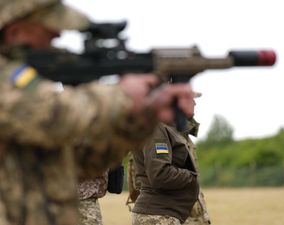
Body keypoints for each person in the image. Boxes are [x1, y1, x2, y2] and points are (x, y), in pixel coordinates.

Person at [0, 0, 195, 224]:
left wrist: (142, 117)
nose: (56, 35)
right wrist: (123, 96)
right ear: (15, 33)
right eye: (47, 28)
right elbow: (52, 114)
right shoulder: (14, 91)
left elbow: (79, 163)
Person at [131, 93, 211, 225]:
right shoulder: (157, 128)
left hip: (164, 214)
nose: (194, 103)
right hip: (158, 215)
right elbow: (160, 174)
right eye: (189, 98)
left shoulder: (169, 128)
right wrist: (191, 176)